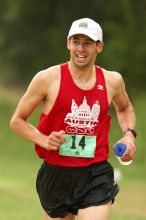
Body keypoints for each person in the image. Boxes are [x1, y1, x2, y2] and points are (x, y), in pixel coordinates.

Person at [10, 18, 136, 220]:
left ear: (99, 46)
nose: (80, 48)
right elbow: (17, 120)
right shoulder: (47, 78)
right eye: (76, 41)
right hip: (56, 174)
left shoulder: (112, 80)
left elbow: (125, 108)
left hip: (96, 173)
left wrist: (129, 135)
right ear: (68, 43)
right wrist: (43, 139)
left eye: (87, 43)